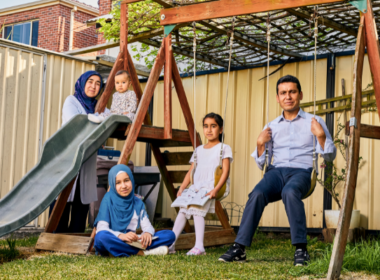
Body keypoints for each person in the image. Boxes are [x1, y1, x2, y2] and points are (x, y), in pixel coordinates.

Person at [218, 75, 336, 266]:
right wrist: (259, 143)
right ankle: (239, 248)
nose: (288, 96)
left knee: (290, 192)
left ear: (300, 94)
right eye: (283, 93)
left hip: (302, 172)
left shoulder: (315, 122)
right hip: (275, 172)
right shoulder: (271, 126)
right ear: (277, 97)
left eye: (292, 92)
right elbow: (261, 163)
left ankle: (301, 249)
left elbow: (330, 157)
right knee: (256, 193)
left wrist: (321, 136)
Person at [49, 70, 107, 233]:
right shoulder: (72, 101)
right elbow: (76, 123)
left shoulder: (99, 106)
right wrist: (97, 120)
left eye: (98, 84)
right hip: (68, 155)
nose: (94, 86)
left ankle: (76, 234)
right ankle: (56, 235)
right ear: (82, 83)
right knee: (63, 194)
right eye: (90, 81)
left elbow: (110, 118)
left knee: (82, 196)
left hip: (87, 156)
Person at [169, 113, 233, 255]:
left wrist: (216, 189)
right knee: (183, 210)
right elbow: (190, 171)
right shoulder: (198, 150)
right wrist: (182, 187)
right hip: (196, 186)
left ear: (220, 129)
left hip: (211, 186)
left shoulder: (223, 148)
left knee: (197, 210)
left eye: (213, 126)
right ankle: (171, 244)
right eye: (205, 126)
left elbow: (225, 172)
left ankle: (199, 246)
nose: (209, 130)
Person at [94, 164, 176, 257]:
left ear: (132, 181)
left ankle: (119, 250)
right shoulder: (107, 199)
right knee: (100, 237)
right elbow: (102, 228)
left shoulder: (137, 203)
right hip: (115, 239)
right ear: (112, 184)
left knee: (170, 235)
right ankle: (141, 253)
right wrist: (122, 236)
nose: (124, 186)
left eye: (126, 180)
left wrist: (147, 233)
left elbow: (147, 226)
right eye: (118, 183)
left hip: (133, 242)